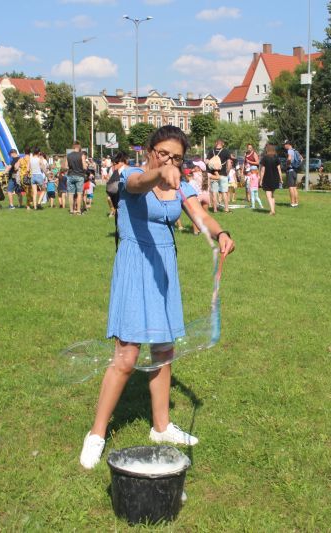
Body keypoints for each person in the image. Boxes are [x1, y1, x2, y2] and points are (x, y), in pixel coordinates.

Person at [79, 126, 236, 469]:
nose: (169, 160)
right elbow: (138, 185)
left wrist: (221, 233)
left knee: (164, 350)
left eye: (176, 157)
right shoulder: (132, 175)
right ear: (150, 150)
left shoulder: (181, 186)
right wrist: (160, 173)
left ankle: (161, 427)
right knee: (126, 356)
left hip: (163, 267)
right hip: (135, 265)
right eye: (163, 153)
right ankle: (96, 433)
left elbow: (200, 215)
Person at [205, 138, 231, 213]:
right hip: (223, 174)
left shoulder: (211, 151)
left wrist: (211, 167)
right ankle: (226, 209)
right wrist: (227, 172)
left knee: (214, 192)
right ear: (223, 144)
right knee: (224, 192)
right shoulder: (226, 151)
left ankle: (215, 209)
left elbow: (206, 162)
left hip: (213, 175)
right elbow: (229, 163)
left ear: (216, 143)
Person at [259, 144, 282, 216]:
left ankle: (272, 210)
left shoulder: (264, 158)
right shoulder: (276, 158)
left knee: (268, 195)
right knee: (272, 195)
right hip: (275, 178)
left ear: (267, 150)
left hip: (267, 178)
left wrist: (261, 180)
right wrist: (281, 179)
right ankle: (273, 210)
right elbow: (279, 169)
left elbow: (262, 170)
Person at [66, 141, 87, 215]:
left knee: (71, 194)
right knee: (79, 193)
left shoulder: (68, 155)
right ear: (79, 147)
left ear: (73, 147)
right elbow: (84, 167)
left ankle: (71, 211)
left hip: (70, 175)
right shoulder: (81, 155)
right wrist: (84, 168)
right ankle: (78, 211)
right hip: (79, 176)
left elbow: (66, 167)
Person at [283, 140, 301, 207]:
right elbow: (301, 158)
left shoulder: (289, 151)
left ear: (288, 144)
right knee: (294, 187)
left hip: (290, 171)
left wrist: (287, 165)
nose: (284, 146)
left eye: (285, 144)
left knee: (291, 187)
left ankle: (292, 203)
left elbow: (289, 159)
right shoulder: (295, 150)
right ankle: (296, 202)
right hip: (295, 170)